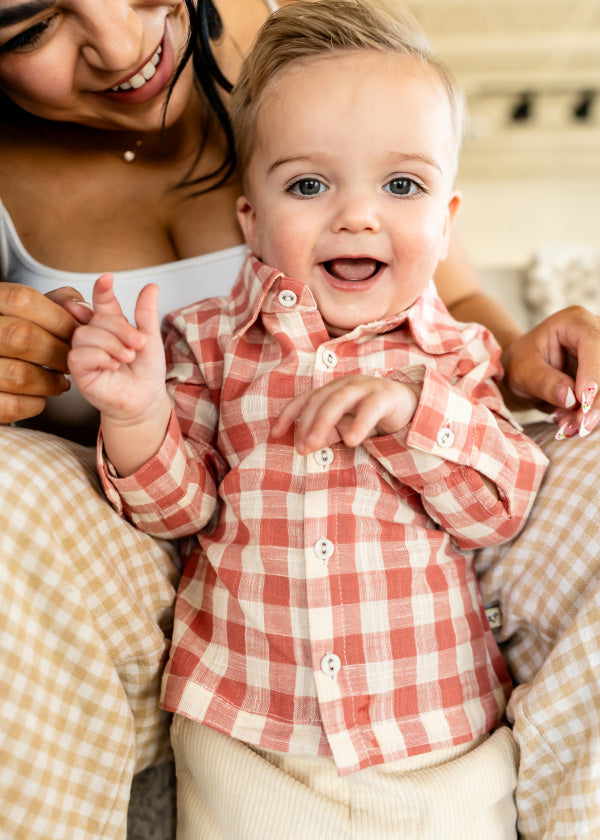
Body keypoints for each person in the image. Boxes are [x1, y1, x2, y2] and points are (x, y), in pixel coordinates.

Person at [0, 0, 598, 838]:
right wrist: (136, 410)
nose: (357, 216)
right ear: (249, 218)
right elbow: (179, 506)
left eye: (401, 186)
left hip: (438, 739)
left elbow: (499, 505)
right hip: (246, 731)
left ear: (446, 218)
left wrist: (424, 405)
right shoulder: (205, 343)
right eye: (309, 186)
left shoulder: (448, 351)